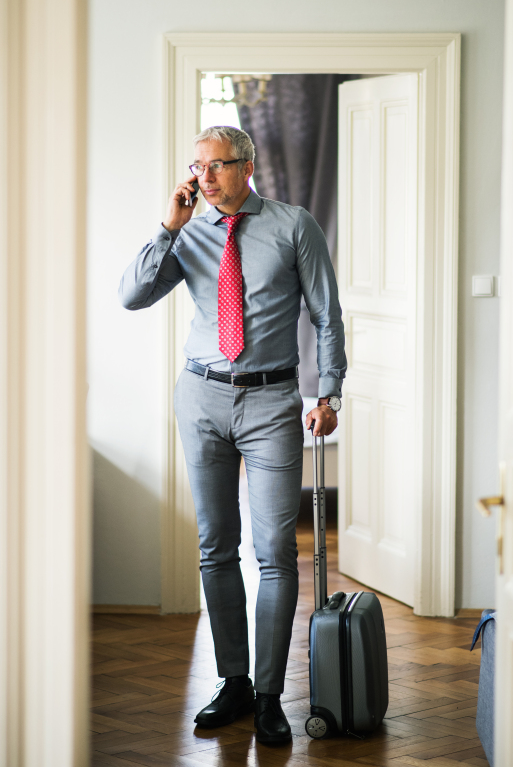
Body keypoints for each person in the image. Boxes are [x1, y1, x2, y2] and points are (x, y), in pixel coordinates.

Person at [119, 125, 346, 745]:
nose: (205, 176)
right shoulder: (187, 231)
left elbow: (326, 313)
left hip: (273, 400)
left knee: (275, 553)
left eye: (217, 165)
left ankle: (270, 693)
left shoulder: (294, 225)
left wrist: (328, 391)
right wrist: (167, 226)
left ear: (247, 167)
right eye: (197, 166)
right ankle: (234, 682)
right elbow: (132, 295)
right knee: (215, 547)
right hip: (201, 397)